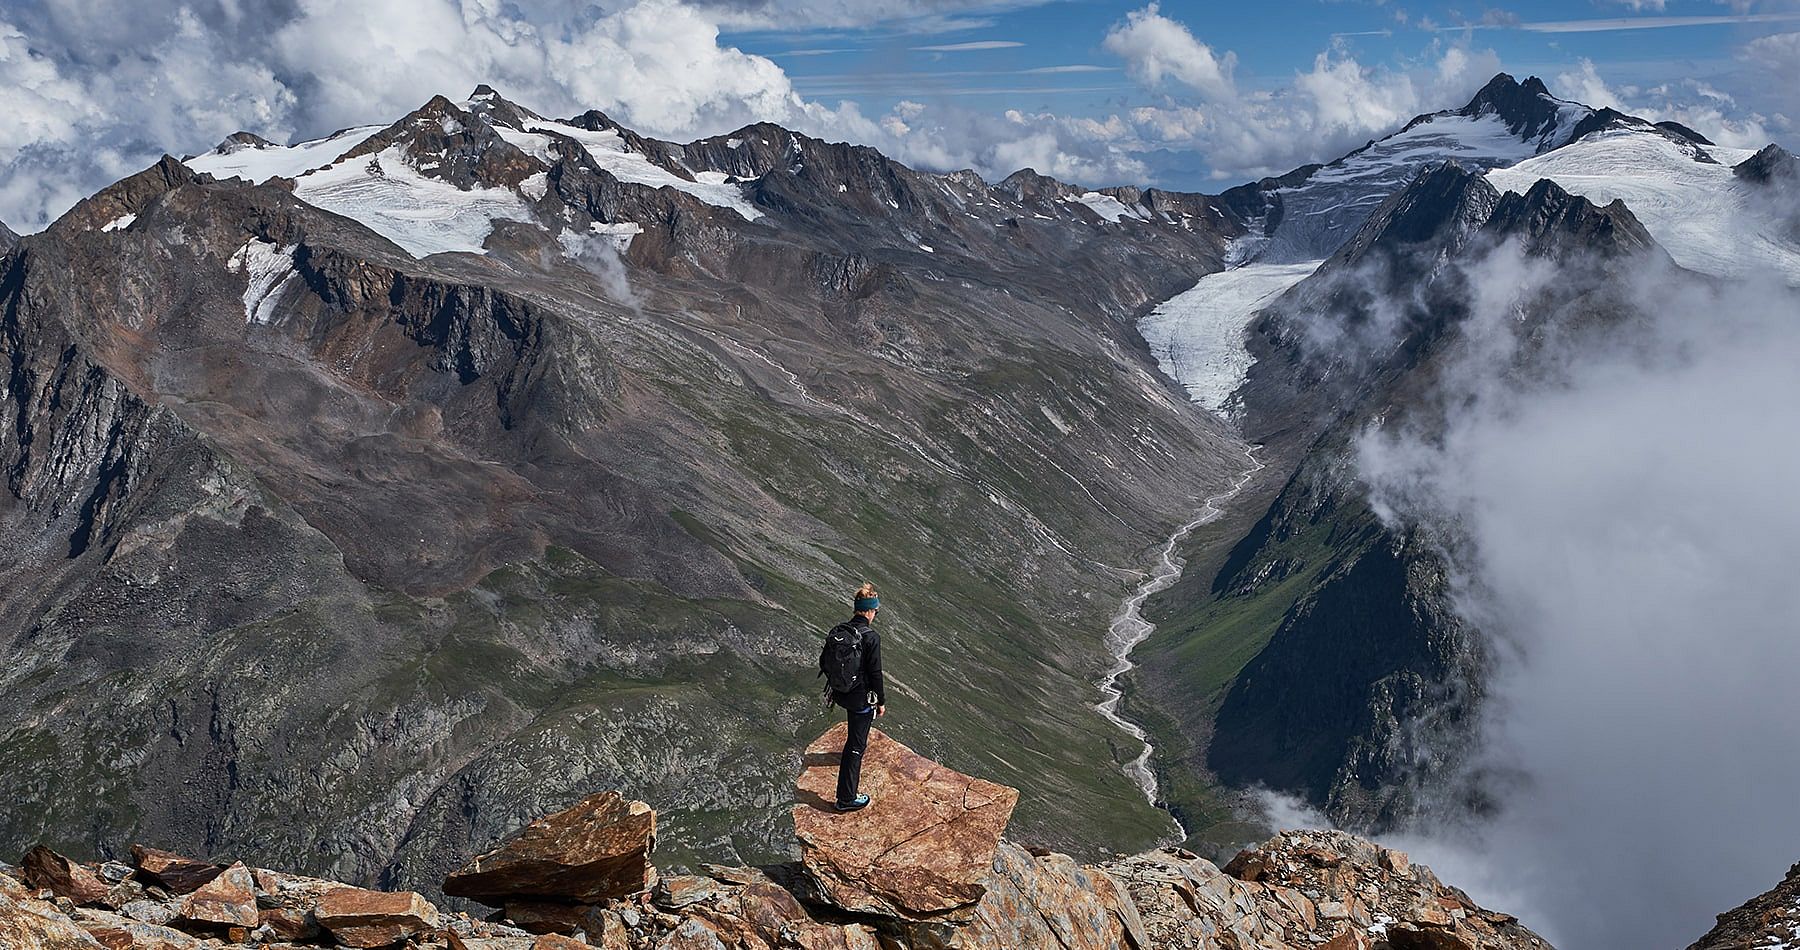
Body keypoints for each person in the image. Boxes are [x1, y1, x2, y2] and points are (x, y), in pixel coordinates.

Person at [820, 582, 886, 812]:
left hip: (841, 693)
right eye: (876, 611)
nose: (875, 615)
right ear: (869, 610)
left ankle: (846, 761)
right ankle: (846, 798)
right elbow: (875, 673)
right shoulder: (871, 637)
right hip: (860, 701)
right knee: (856, 746)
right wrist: (881, 701)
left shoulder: (841, 632)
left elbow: (824, 662)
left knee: (854, 734)